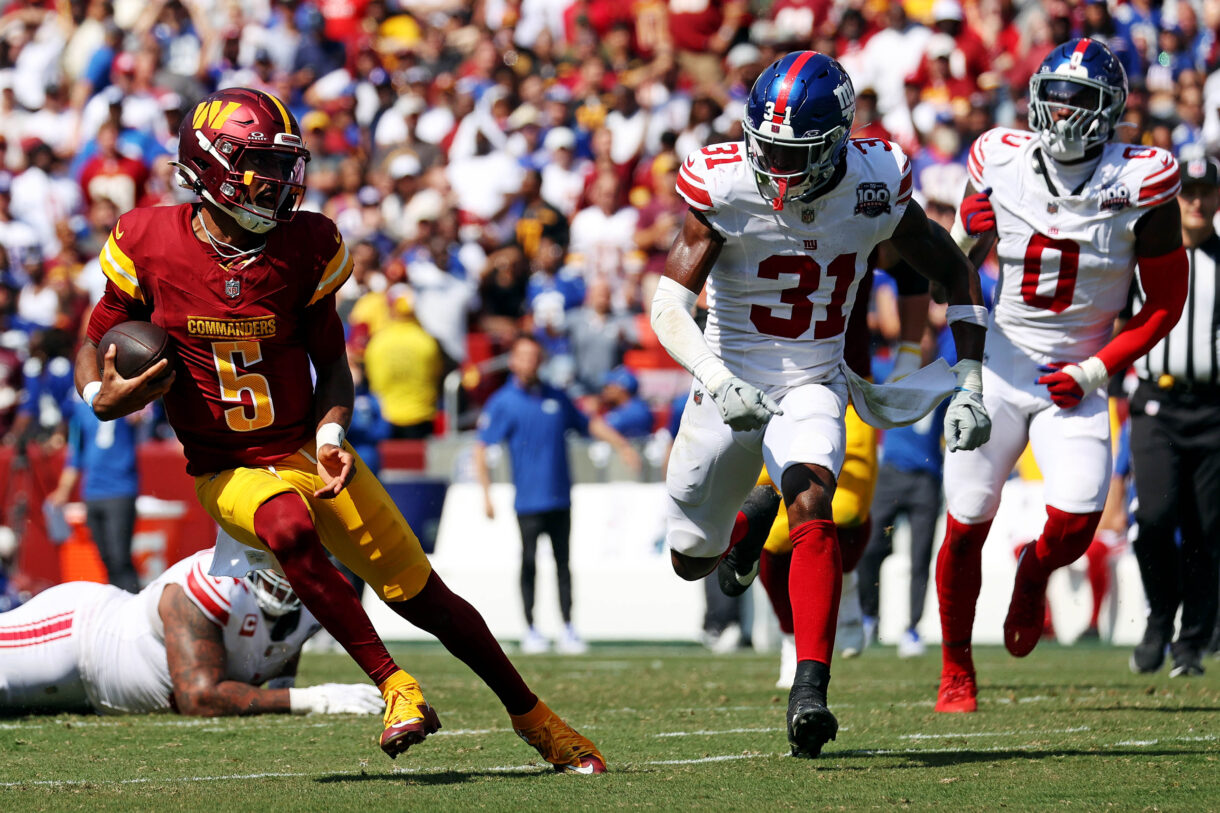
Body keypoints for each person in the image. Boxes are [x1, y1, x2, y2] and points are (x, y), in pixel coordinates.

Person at [74, 88, 605, 773]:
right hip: (224, 465)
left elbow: (333, 363)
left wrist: (330, 438)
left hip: (301, 444)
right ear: (209, 165)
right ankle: (396, 684)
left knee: (425, 595)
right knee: (288, 526)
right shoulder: (149, 240)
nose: (276, 180)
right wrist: (99, 392)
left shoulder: (307, 243)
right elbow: (93, 338)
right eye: (258, 163)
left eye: (281, 164)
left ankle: (538, 719)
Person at [650, 51, 991, 758]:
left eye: (791, 152)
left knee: (814, 502)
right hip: (728, 373)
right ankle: (744, 527)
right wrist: (716, 377)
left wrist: (971, 378)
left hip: (814, 375)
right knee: (689, 557)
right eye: (765, 146)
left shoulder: (874, 183)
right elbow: (668, 305)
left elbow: (952, 268)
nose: (772, 164)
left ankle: (810, 688)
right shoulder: (725, 180)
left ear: (835, 142)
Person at [938, 39, 1188, 712]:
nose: (1064, 110)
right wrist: (965, 233)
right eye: (1056, 93)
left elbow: (1167, 301)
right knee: (966, 517)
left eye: (1081, 98)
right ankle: (956, 666)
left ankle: (1034, 570)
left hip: (1077, 371)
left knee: (1077, 519)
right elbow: (949, 271)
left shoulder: (1141, 177)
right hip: (1000, 360)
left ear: (1110, 109)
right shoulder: (998, 156)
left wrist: (1098, 367)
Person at [0, 546, 382, 717]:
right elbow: (198, 698)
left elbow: (276, 668)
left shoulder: (312, 608)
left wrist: (289, 694)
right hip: (78, 636)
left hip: (94, 696)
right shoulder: (211, 583)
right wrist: (313, 700)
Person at [473, 334, 639, 655]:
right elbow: (482, 447)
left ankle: (567, 627)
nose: (530, 362)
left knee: (563, 564)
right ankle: (531, 628)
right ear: (513, 360)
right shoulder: (504, 402)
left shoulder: (557, 397)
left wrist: (622, 445)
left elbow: (588, 424)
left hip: (560, 497)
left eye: (535, 356)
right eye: (523, 356)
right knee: (529, 563)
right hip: (528, 502)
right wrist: (486, 493)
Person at [1127, 155, 1220, 678]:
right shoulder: (1143, 255)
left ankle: (1193, 641)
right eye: (1189, 192)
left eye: (1207, 192)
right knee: (1154, 520)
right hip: (1156, 405)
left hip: (1212, 408)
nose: (1197, 202)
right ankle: (1160, 616)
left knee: (1207, 529)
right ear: (1173, 197)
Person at [46, 394, 144, 593]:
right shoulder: (80, 409)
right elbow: (75, 455)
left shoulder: (124, 401)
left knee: (120, 557)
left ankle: (133, 606)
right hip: (92, 491)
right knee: (105, 557)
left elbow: (141, 414)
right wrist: (63, 490)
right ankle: (118, 607)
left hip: (120, 488)